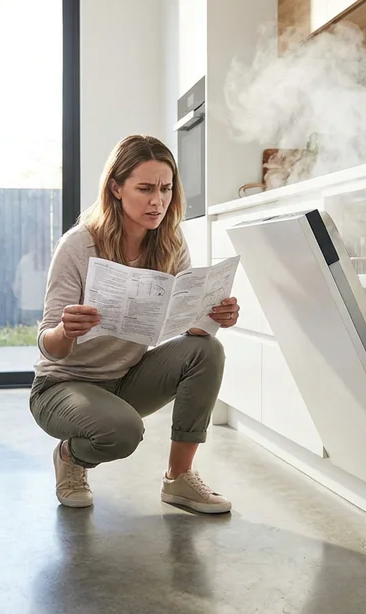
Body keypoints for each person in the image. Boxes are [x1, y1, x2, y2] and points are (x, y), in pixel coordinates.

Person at [29, 135, 240, 514]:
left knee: (207, 350)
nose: (157, 201)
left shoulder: (171, 244)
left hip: (125, 380)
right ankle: (70, 457)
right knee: (123, 432)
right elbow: (48, 345)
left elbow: (188, 328)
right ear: (116, 188)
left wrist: (212, 318)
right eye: (145, 189)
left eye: (165, 188)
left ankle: (179, 479)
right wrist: (66, 330)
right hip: (62, 386)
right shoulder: (78, 246)